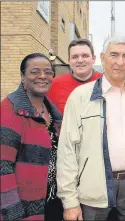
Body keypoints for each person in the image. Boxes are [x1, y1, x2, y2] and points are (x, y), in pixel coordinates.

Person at [56, 36, 125, 221]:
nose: (120, 62)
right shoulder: (80, 96)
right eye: (114, 55)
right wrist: (70, 201)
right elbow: (67, 150)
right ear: (102, 58)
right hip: (93, 190)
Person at [0, 53, 63, 221]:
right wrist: (12, 213)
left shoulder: (54, 113)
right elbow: (2, 167)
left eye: (48, 72)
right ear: (23, 77)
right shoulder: (9, 112)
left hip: (53, 203)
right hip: (23, 209)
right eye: (35, 71)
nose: (42, 76)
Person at [47, 38, 102, 113]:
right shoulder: (55, 84)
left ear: (93, 58)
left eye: (85, 56)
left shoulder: (105, 82)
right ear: (69, 60)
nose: (80, 60)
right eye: (75, 57)